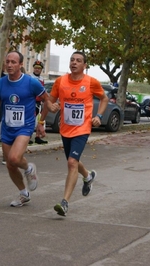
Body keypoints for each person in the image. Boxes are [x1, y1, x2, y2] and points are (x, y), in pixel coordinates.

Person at [38, 51, 109, 216]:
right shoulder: (60, 81)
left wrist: (98, 116)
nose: (74, 63)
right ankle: (88, 175)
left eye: (78, 61)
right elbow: (50, 101)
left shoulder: (91, 82)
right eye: (72, 60)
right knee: (73, 161)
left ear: (85, 66)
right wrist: (42, 120)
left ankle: (65, 202)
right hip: (66, 128)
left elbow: (104, 99)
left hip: (83, 128)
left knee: (71, 162)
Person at [0, 51, 56, 207]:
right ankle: (24, 193)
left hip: (25, 126)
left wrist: (43, 119)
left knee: (15, 158)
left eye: (13, 62)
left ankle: (29, 168)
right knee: (10, 164)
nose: (9, 65)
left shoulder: (31, 83)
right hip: (7, 128)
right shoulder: (1, 83)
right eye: (7, 62)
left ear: (21, 65)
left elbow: (46, 98)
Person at [30, 60, 48, 145]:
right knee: (31, 120)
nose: (37, 70)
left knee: (39, 120)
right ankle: (28, 137)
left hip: (39, 102)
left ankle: (37, 137)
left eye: (39, 68)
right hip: (32, 101)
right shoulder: (30, 77)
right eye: (36, 68)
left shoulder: (42, 79)